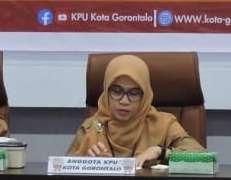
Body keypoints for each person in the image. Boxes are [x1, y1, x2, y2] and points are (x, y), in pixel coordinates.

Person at [67, 54, 205, 166]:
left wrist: (161, 152)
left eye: (133, 93)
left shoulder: (164, 124)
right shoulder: (91, 128)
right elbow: (64, 170)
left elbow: (202, 156)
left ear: (145, 95)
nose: (124, 101)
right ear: (106, 92)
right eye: (117, 91)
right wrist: (86, 163)